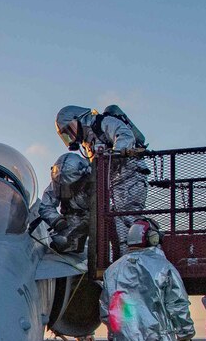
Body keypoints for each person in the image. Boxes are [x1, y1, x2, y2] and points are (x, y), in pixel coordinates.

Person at [55, 105, 149, 252]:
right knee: (119, 219)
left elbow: (125, 135)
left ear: (78, 119)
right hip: (116, 182)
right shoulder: (88, 143)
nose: (71, 136)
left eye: (70, 130)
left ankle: (139, 253)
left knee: (128, 217)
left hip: (130, 174)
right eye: (66, 134)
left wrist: (117, 154)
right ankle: (127, 257)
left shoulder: (103, 122)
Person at [37, 152, 92, 253]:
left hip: (96, 218)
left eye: (69, 185)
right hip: (73, 218)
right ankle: (73, 246)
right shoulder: (56, 184)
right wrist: (57, 221)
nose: (65, 188)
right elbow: (46, 206)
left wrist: (89, 220)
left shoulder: (95, 182)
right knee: (62, 241)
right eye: (62, 185)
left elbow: (106, 206)